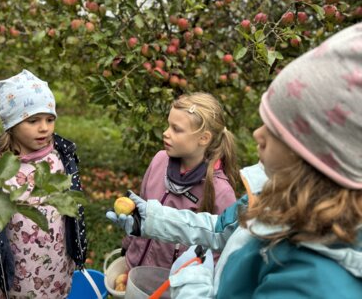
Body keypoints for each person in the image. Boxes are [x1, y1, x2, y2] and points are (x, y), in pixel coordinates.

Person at [108, 23, 362, 298]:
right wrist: (152, 219)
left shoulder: (313, 282)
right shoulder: (271, 196)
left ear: (313, 152)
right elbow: (219, 228)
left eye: (275, 128)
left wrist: (191, 280)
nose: (257, 134)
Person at [0, 70, 87, 298]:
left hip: (57, 266)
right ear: (12, 124)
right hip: (15, 277)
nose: (44, 128)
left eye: (50, 119)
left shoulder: (61, 156)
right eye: (33, 120)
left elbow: (73, 211)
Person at [108, 92, 239, 270]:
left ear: (204, 138)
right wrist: (128, 245)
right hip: (134, 270)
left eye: (176, 129)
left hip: (170, 287)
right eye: (168, 125)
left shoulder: (220, 192)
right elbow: (140, 207)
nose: (165, 133)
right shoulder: (159, 161)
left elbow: (219, 255)